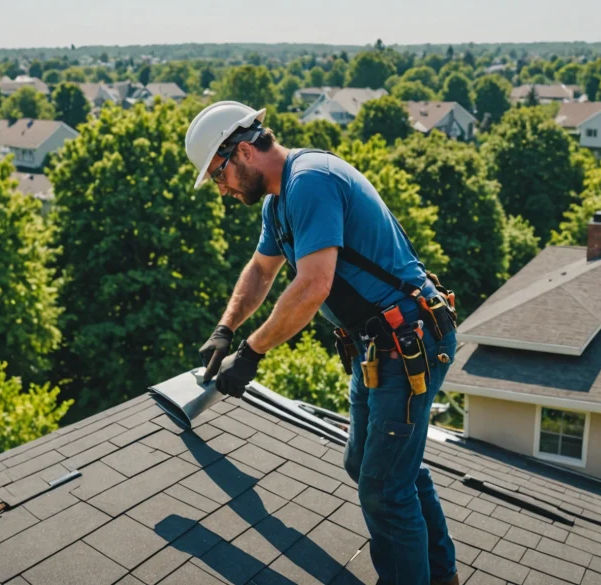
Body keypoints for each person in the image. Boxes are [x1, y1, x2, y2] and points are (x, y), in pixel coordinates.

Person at [186, 101, 461, 585]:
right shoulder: (279, 202)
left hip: (409, 342)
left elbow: (313, 286)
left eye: (219, 175)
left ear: (244, 151)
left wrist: (250, 353)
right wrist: (225, 329)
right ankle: (440, 575)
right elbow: (260, 270)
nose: (223, 191)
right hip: (378, 349)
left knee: (382, 487)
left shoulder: (310, 180)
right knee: (374, 467)